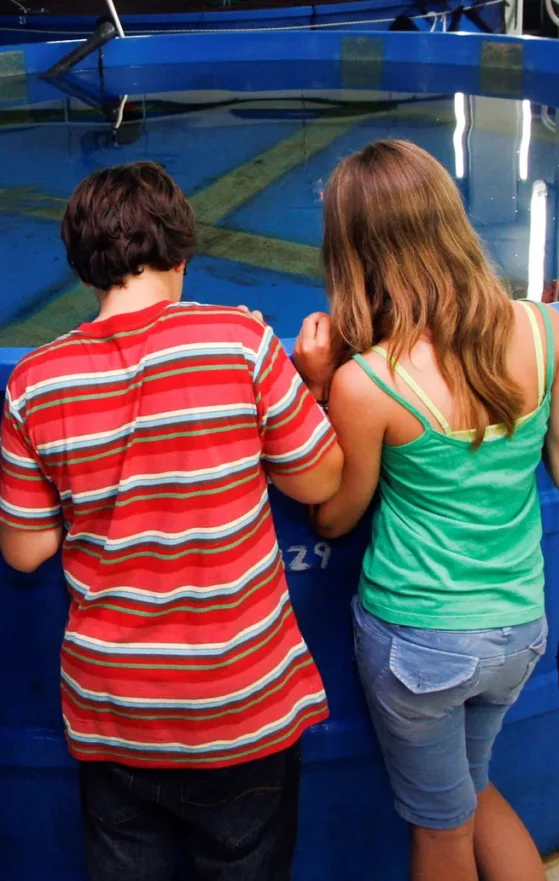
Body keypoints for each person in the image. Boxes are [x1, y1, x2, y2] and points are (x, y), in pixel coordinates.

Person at [0, 162, 343, 881]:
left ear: (83, 266)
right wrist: (309, 383)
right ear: (182, 249)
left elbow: (26, 551)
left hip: (115, 712)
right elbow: (319, 476)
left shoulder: (34, 383)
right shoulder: (240, 342)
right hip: (244, 704)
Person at [291, 140, 559, 881]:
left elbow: (335, 518)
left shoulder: (367, 382)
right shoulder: (543, 330)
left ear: (354, 252)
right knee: (472, 794)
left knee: (441, 834)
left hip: (421, 644)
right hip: (517, 631)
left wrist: (317, 386)